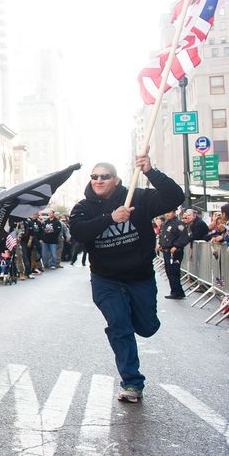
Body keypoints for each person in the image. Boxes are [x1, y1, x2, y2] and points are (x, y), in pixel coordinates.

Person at [69, 152, 183, 403]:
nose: (98, 181)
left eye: (105, 176)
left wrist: (151, 172)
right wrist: (110, 218)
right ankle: (132, 382)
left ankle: (140, 321)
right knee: (120, 326)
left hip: (139, 277)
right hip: (105, 280)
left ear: (117, 180)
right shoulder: (83, 207)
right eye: (94, 176)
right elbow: (78, 233)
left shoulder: (139, 198)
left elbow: (175, 197)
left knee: (146, 326)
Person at [157, 208, 188, 300]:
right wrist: (160, 244)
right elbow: (162, 236)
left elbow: (183, 237)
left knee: (174, 272)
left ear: (174, 213)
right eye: (166, 212)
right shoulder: (165, 224)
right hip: (166, 251)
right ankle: (176, 291)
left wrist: (176, 246)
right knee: (169, 272)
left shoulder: (178, 224)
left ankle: (177, 292)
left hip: (175, 252)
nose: (167, 214)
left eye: (169, 212)